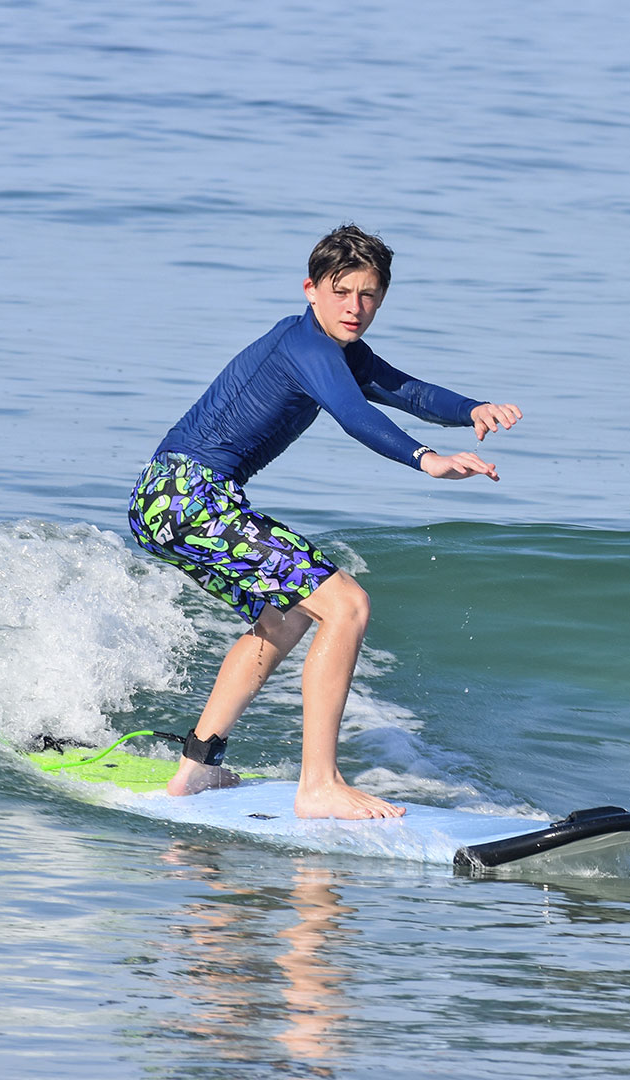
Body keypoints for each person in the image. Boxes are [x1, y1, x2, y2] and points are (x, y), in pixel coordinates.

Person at [127, 225, 522, 819]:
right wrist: (427, 460)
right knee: (347, 605)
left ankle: (195, 767)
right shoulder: (306, 347)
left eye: (368, 296)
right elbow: (354, 414)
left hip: (171, 500)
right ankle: (318, 784)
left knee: (283, 619)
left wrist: (472, 410)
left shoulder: (335, 347)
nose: (355, 308)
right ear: (311, 289)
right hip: (189, 496)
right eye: (342, 293)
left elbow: (403, 391)